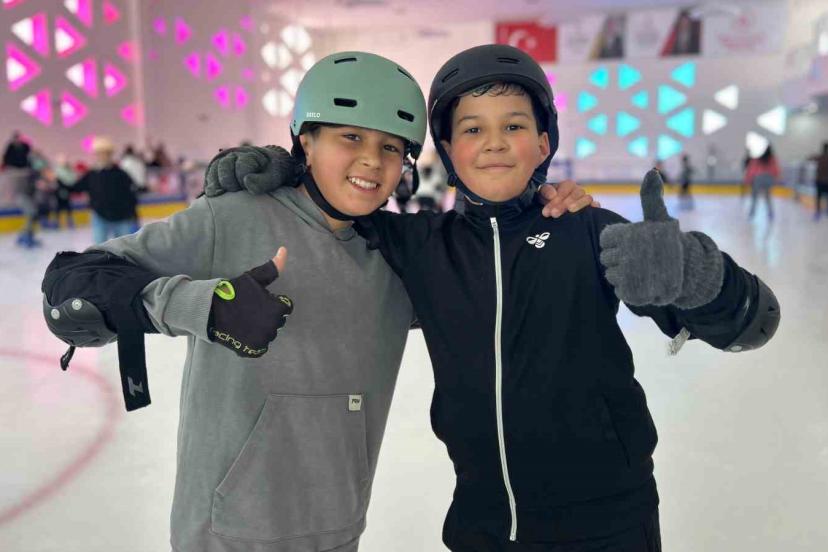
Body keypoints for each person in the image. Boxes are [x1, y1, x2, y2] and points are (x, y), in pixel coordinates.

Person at [207, 45, 780, 552]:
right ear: (447, 151)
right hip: (482, 528)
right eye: (472, 129)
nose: (494, 143)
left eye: (514, 125)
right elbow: (328, 211)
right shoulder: (419, 244)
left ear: (543, 142)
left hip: (609, 526)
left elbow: (752, 324)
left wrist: (702, 279)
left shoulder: (593, 232)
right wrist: (285, 174)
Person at [41, 50, 597, 552]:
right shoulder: (233, 217)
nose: (371, 162)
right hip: (224, 535)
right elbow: (70, 288)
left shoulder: (395, 258)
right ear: (305, 141)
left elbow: (495, 273)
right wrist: (200, 306)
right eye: (349, 137)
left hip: (337, 531)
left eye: (390, 148)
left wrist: (546, 208)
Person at [74, 137, 140, 243]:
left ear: (110, 154)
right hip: (100, 215)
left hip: (121, 216)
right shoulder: (92, 174)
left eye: (105, 153)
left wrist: (133, 215)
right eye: (99, 153)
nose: (101, 156)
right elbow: (76, 187)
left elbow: (131, 195)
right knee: (99, 247)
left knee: (124, 246)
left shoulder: (120, 174)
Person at [2, 131, 40, 247]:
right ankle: (25, 235)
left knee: (32, 214)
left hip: (26, 195)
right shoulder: (15, 174)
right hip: (20, 196)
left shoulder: (29, 170)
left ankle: (26, 235)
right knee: (32, 213)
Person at [745, 144, 780, 220]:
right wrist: (775, 179)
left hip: (758, 178)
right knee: (767, 197)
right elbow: (776, 169)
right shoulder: (772, 158)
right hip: (768, 178)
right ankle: (770, 214)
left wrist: (748, 179)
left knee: (754, 197)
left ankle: (752, 214)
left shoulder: (757, 157)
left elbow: (752, 169)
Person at [811, 142, 828, 220]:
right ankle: (822, 211)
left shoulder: (820, 157)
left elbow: (810, 158)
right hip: (825, 181)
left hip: (820, 181)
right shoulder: (820, 157)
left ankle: (818, 212)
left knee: (818, 197)